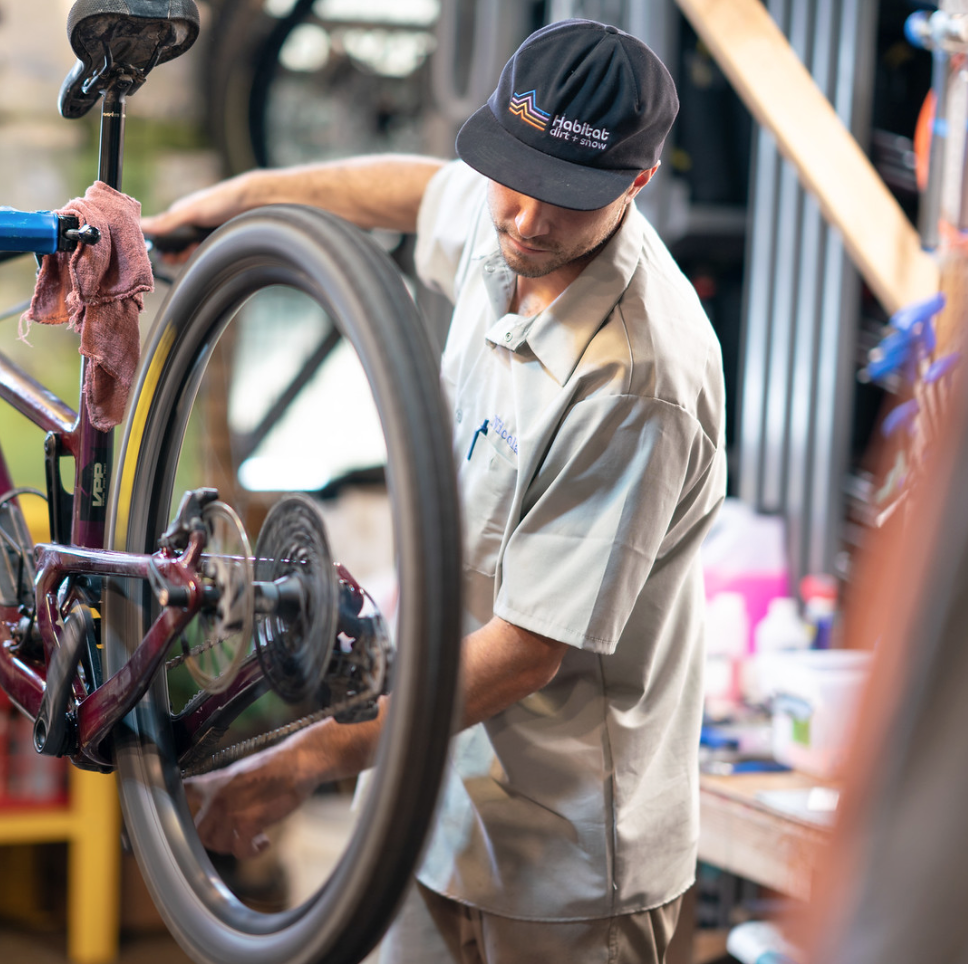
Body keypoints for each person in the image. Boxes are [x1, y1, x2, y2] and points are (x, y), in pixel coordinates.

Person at [142, 20, 726, 964]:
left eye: (565, 202)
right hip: (429, 794)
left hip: (562, 859)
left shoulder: (636, 379)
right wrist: (242, 202)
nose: (527, 221)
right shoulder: (513, 232)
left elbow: (525, 653)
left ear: (636, 184)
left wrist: (302, 762)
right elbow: (421, 191)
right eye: (516, 180)